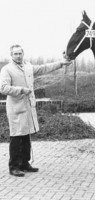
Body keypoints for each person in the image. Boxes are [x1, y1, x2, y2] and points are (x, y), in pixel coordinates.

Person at [0, 44, 72, 177]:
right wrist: (20, 90)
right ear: (11, 55)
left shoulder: (28, 67)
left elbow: (44, 68)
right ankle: (14, 167)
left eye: (20, 53)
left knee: (26, 136)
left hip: (27, 106)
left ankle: (25, 163)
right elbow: (3, 88)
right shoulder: (7, 69)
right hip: (16, 108)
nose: (18, 56)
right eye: (15, 54)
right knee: (16, 137)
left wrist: (61, 63)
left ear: (23, 53)